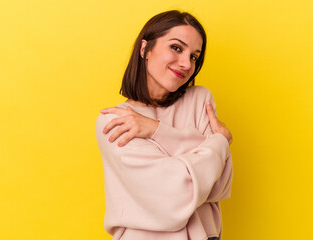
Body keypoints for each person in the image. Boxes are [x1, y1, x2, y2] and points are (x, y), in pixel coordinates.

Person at [95, 10, 233, 240]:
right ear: (145, 49)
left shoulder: (200, 99)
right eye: (176, 48)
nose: (186, 63)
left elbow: (218, 186)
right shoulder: (115, 120)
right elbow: (174, 195)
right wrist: (220, 142)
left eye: (194, 56)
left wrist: (155, 130)